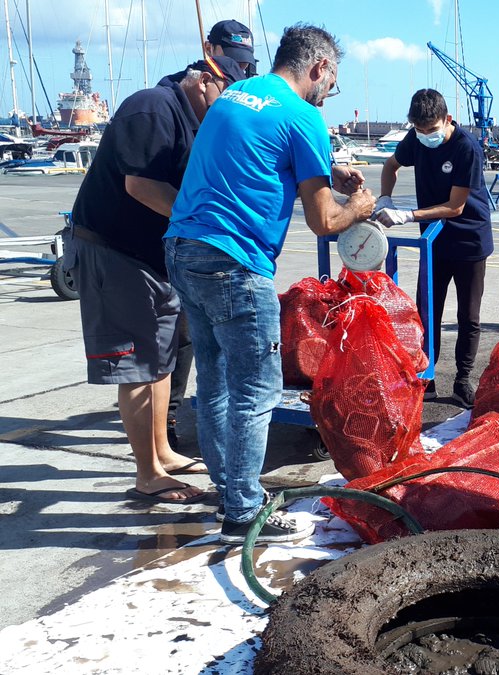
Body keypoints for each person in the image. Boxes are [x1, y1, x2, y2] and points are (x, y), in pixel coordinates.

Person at [165, 24, 376, 543]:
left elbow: (254, 152)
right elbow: (324, 221)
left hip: (182, 248)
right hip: (235, 264)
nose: (328, 94)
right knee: (257, 389)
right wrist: (359, 207)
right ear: (319, 68)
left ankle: (228, 486)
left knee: (214, 377)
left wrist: (329, 166)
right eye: (333, 82)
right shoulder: (305, 115)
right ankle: (243, 512)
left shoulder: (234, 94)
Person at [66, 55, 246, 504]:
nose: (230, 106)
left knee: (161, 359)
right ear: (207, 81)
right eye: (228, 93)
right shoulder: (153, 107)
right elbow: (141, 186)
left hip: (148, 258)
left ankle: (161, 451)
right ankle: (146, 474)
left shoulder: (193, 119)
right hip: (114, 251)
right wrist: (199, 227)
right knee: (138, 368)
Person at [159, 21, 257, 450]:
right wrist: (193, 219)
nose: (237, 71)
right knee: (178, 336)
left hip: (209, 234)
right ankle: (167, 421)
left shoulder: (240, 92)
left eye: (244, 63)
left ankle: (180, 417)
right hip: (183, 235)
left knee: (204, 344)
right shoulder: (181, 95)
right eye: (231, 61)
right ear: (209, 50)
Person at [375, 88, 493, 408]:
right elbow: (390, 166)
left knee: (469, 316)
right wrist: (386, 197)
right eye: (420, 129)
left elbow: (455, 207)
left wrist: (408, 214)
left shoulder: (465, 148)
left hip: (469, 239)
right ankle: (424, 377)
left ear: (447, 119)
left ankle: (463, 380)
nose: (426, 136)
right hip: (434, 243)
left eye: (431, 129)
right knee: (426, 313)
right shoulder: (416, 140)